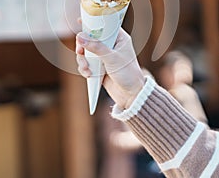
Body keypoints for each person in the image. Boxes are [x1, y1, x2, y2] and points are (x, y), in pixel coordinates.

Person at [76, 28, 219, 178]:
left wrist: (148, 132)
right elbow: (112, 140)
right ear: (165, 72)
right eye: (178, 69)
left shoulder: (185, 93)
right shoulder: (112, 105)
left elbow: (200, 138)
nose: (184, 74)